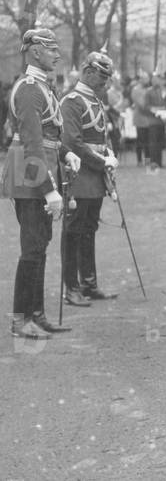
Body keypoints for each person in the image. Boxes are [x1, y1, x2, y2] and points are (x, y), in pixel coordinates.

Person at [1, 28, 81, 339]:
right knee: (31, 248)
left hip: (39, 169)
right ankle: (21, 319)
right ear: (35, 51)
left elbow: (49, 136)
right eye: (51, 50)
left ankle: (36, 314)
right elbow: (32, 144)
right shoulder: (30, 89)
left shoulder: (43, 87)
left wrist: (67, 152)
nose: (57, 55)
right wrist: (49, 190)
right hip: (30, 176)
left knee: (40, 246)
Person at [59, 46, 120, 306]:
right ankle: (71, 288)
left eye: (107, 78)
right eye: (101, 77)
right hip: (78, 176)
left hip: (94, 177)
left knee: (89, 230)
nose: (105, 83)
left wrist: (109, 154)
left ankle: (89, 283)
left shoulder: (95, 100)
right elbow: (72, 142)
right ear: (87, 71)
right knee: (73, 231)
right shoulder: (71, 101)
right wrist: (101, 160)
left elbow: (98, 137)